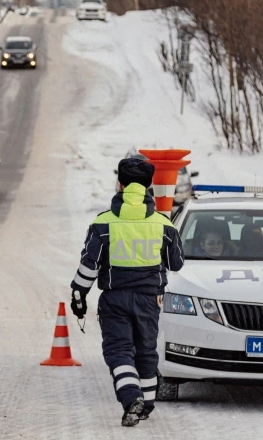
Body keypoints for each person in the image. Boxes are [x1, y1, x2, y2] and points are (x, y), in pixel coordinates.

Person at [70, 158, 185, 427]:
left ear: (120, 185)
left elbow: (89, 265)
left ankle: (130, 396)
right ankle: (145, 405)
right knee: (145, 351)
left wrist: (78, 295)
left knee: (119, 350)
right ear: (149, 187)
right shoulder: (163, 225)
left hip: (115, 298)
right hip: (149, 299)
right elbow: (176, 263)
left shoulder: (103, 223)